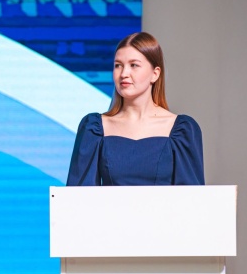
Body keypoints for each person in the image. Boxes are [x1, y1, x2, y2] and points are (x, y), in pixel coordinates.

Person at [66, 32, 204, 186]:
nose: (124, 74)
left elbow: (192, 197)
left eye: (134, 65)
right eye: (118, 65)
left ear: (155, 74)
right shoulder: (94, 128)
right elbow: (78, 196)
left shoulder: (182, 130)